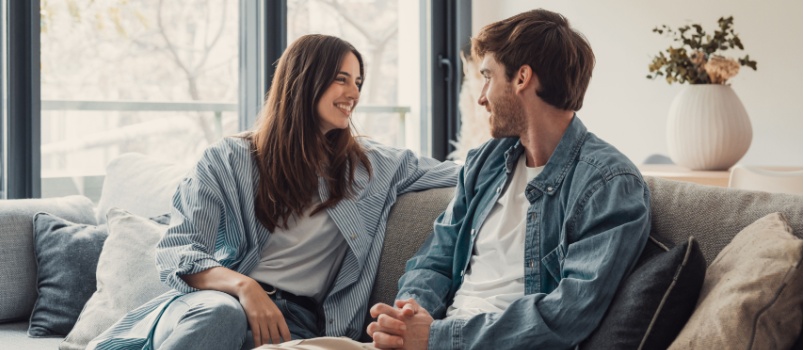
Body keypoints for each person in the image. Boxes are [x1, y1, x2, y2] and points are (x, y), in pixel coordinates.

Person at [87, 34, 459, 350]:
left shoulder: (374, 167)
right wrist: (244, 287)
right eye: (341, 79)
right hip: (213, 303)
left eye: (358, 82)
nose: (354, 93)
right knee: (222, 315)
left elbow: (468, 173)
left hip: (294, 324)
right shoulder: (228, 159)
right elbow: (179, 250)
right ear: (304, 80)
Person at [367, 9, 651, 349]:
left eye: (488, 77)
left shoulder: (609, 183)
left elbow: (568, 315)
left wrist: (437, 337)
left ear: (522, 78)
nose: (481, 97)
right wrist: (409, 314)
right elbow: (435, 259)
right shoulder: (485, 162)